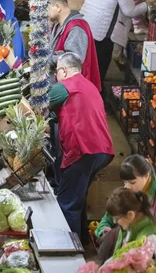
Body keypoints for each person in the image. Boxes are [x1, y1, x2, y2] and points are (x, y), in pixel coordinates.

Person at [48, 53, 114, 239]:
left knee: (67, 202)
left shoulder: (64, 87)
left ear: (64, 71)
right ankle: (83, 238)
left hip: (83, 150)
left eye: (57, 71)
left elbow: (40, 106)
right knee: (78, 194)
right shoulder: (89, 85)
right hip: (101, 150)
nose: (56, 76)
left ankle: (70, 251)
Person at [96, 155, 156, 266]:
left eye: (132, 183)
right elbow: (107, 219)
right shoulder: (127, 196)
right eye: (124, 183)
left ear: (147, 176)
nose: (128, 187)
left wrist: (140, 240)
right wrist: (106, 232)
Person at [80, 0, 148, 82]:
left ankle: (88, 84)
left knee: (89, 60)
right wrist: (147, 5)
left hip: (88, 25)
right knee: (101, 62)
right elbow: (129, 11)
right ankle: (97, 91)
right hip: (104, 32)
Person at [104, 188, 156, 269]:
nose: (114, 222)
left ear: (130, 214)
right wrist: (106, 265)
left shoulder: (152, 238)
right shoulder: (129, 227)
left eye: (117, 218)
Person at [48, 0, 101, 91]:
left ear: (58, 7)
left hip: (71, 88)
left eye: (47, 9)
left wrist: (49, 59)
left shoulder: (76, 28)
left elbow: (74, 59)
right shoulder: (58, 24)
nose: (45, 13)